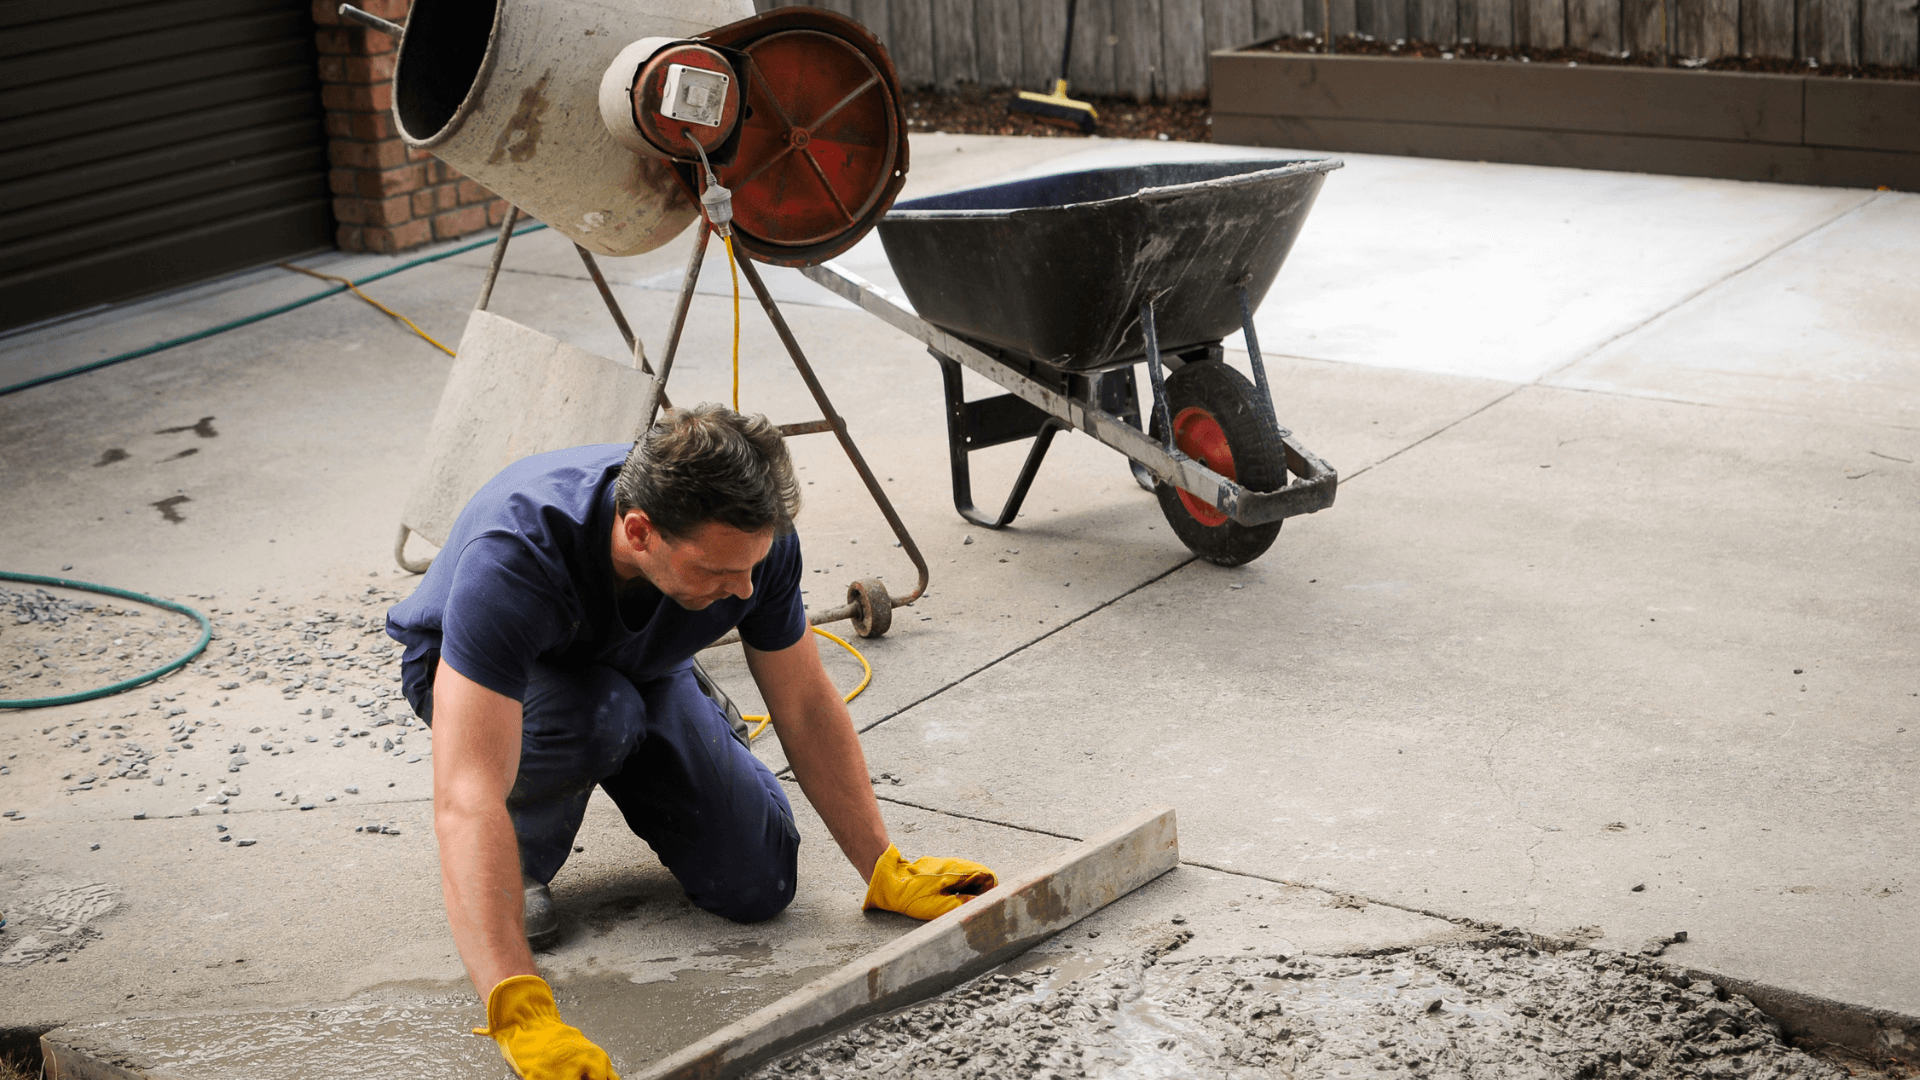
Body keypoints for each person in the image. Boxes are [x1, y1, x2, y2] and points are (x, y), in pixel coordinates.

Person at [387, 405, 996, 1080]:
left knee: (759, 881)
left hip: (639, 660)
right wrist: (518, 1010)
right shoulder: (516, 557)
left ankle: (665, 702)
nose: (744, 590)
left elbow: (803, 702)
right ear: (640, 532)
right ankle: (520, 861)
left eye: (752, 568)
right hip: (479, 675)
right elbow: (468, 792)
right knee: (601, 714)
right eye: (717, 572)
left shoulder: (752, 553)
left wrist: (885, 866)